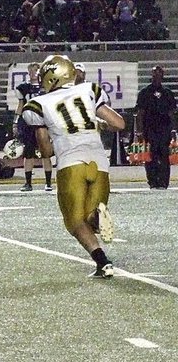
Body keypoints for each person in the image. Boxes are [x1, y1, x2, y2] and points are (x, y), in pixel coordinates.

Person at [23, 55, 125, 278]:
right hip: (99, 162)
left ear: (51, 77)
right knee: (88, 216)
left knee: (74, 221)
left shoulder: (38, 105)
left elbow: (47, 151)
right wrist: (99, 125)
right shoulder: (88, 90)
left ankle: (103, 261)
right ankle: (96, 219)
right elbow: (119, 123)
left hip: (71, 164)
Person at [13, 62, 53, 191]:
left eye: (35, 70)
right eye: (30, 71)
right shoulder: (23, 87)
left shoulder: (47, 86)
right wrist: (15, 122)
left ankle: (48, 182)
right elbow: (20, 105)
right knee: (28, 153)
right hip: (28, 123)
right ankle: (28, 182)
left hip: (42, 123)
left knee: (46, 153)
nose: (32, 73)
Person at [135, 65, 176, 189]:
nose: (157, 76)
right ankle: (153, 181)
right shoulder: (144, 93)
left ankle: (164, 182)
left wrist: (174, 129)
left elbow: (172, 113)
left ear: (163, 76)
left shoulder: (168, 93)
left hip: (164, 129)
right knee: (150, 156)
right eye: (154, 74)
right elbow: (140, 113)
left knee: (164, 155)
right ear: (151, 76)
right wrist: (139, 131)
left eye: (159, 74)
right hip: (149, 129)